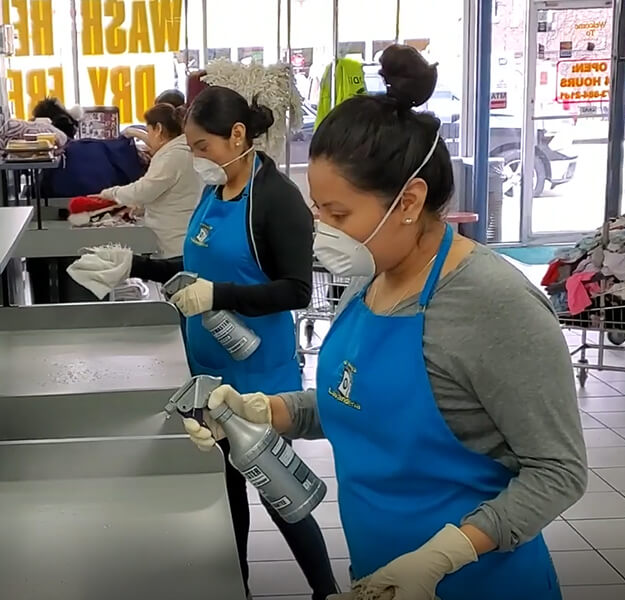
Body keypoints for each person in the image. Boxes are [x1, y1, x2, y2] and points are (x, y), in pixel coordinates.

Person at [184, 45, 587, 600]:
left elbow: (558, 471)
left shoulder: (493, 306)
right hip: (381, 577)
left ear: (408, 200)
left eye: (338, 213)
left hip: (478, 583)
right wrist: (265, 410)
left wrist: (447, 554)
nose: (320, 229)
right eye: (318, 210)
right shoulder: (370, 276)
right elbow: (361, 403)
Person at [121, 87, 338, 599]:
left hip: (258, 373)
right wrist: (137, 265)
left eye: (201, 146)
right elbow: (195, 265)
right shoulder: (214, 190)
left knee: (276, 489)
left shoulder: (274, 199)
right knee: (225, 491)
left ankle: (326, 590)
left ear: (237, 135)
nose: (195, 158)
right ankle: (235, 584)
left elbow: (295, 288)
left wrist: (220, 294)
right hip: (207, 366)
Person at [96, 103, 201, 258]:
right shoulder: (180, 151)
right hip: (181, 237)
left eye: (149, 130)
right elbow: (169, 192)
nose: (148, 136)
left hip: (176, 243)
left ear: (158, 129)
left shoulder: (172, 157)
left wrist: (110, 194)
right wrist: (142, 208)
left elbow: (144, 190)